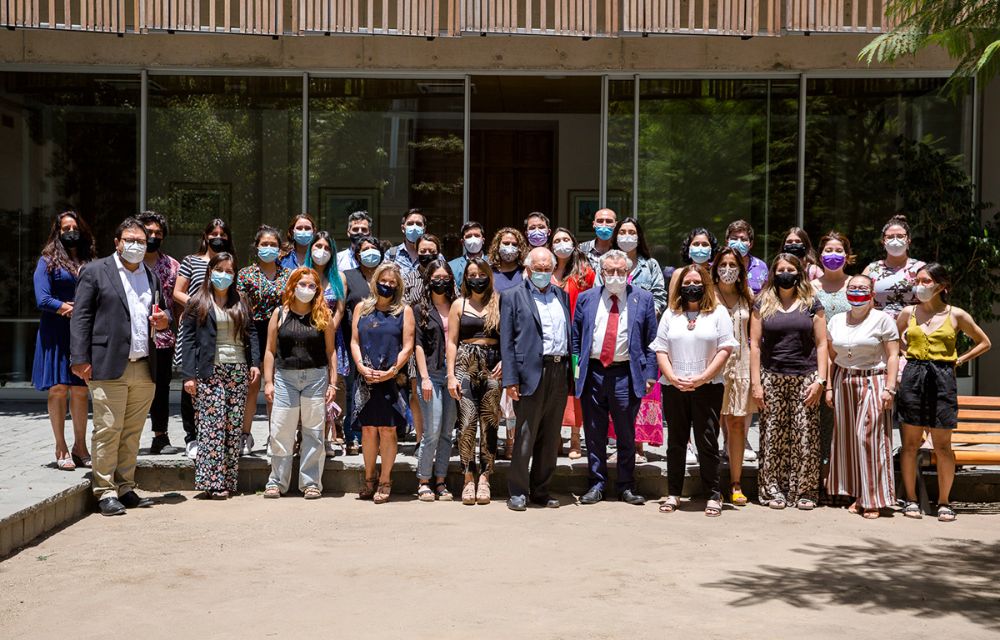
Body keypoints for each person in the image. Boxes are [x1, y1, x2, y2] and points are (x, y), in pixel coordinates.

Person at [70, 217, 170, 516]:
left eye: (141, 240)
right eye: (130, 239)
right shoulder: (95, 271)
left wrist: (165, 318)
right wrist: (79, 358)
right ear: (117, 242)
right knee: (108, 429)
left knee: (132, 431)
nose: (137, 245)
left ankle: (125, 486)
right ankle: (104, 491)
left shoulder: (151, 275)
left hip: (144, 364)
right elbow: (81, 316)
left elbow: (160, 312)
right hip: (108, 362)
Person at [896, 263, 991, 522]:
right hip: (913, 376)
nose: (919, 285)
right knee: (910, 445)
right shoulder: (908, 312)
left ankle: (944, 501)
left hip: (942, 377)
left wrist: (960, 360)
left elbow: (984, 342)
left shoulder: (956, 314)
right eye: (917, 280)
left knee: (942, 445)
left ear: (941, 286)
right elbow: (893, 340)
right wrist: (905, 354)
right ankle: (911, 499)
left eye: (925, 280)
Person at [573, 250, 657, 506]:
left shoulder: (642, 298)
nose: (616, 276)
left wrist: (650, 375)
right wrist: (577, 374)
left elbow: (651, 342)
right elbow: (576, 341)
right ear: (602, 272)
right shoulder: (587, 299)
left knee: (625, 432)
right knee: (594, 432)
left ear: (628, 273)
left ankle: (625, 485)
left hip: (625, 373)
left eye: (621, 271)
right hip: (594, 373)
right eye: (610, 271)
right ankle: (596, 484)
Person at [653, 265, 737, 517]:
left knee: (707, 441)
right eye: (686, 283)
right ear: (679, 288)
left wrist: (703, 377)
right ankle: (674, 493)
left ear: (706, 286)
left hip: (708, 386)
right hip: (674, 386)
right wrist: (670, 376)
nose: (692, 287)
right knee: (676, 442)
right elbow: (660, 348)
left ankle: (713, 494)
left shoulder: (718, 313)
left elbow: (725, 348)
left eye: (696, 282)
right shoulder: (671, 313)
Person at [750, 253, 829, 511]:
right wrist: (756, 384)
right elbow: (755, 347)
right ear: (774, 273)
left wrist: (821, 380)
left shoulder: (812, 303)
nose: (786, 274)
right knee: (773, 436)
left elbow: (821, 344)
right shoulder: (762, 302)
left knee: (805, 436)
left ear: (799, 273)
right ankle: (773, 490)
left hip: (805, 377)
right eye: (781, 269)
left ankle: (804, 491)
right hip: (771, 376)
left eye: (791, 269)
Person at [180, 253, 260, 499]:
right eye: (219, 269)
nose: (223, 275)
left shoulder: (241, 301)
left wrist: (254, 363)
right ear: (210, 271)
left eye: (229, 271)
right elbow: (189, 340)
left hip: (237, 369)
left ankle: (227, 481)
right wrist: (188, 376)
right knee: (211, 427)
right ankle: (211, 482)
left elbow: (252, 332)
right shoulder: (198, 301)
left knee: (232, 426)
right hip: (210, 370)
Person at [500, 247, 571, 511]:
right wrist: (510, 379)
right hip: (530, 373)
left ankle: (541, 490)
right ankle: (518, 491)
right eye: (537, 268)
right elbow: (507, 343)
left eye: (547, 268)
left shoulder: (561, 296)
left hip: (559, 370)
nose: (542, 273)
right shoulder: (512, 297)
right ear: (528, 269)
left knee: (551, 435)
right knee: (526, 435)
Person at [825, 275, 899, 519]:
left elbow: (892, 356)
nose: (857, 292)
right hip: (843, 381)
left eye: (863, 288)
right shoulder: (836, 320)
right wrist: (828, 386)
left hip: (873, 380)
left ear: (872, 293)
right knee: (847, 439)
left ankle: (874, 499)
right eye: (853, 288)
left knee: (868, 438)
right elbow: (830, 354)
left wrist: (890, 388)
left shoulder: (883, 320)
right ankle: (857, 494)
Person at [262, 267, 338, 499]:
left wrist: (333, 383)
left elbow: (331, 351)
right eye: (302, 284)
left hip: (315, 378)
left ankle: (311, 483)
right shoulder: (280, 313)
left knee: (313, 432)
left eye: (311, 286)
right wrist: (268, 381)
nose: (306, 289)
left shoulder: (323, 315)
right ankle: (276, 482)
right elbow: (270, 350)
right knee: (281, 430)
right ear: (292, 286)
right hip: (285, 378)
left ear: (317, 290)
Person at [33, 210, 95, 470]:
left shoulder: (90, 260)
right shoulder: (47, 260)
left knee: (80, 389)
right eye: (65, 228)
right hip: (55, 332)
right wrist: (70, 308)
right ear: (57, 232)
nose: (71, 232)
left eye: (74, 227)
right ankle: (61, 446)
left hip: (81, 332)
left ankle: (80, 447)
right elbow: (42, 298)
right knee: (58, 389)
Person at [350, 263, 415, 504]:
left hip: (391, 378)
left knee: (388, 430)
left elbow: (408, 345)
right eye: (383, 281)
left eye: (392, 283)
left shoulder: (403, 311)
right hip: (365, 377)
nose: (387, 286)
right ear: (375, 280)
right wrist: (359, 365)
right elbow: (354, 341)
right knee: (368, 429)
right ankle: (369, 478)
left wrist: (392, 371)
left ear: (398, 287)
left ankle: (385, 480)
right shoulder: (361, 308)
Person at [173, 218, 234, 459]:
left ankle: (216, 434)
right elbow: (178, 291)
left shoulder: (229, 263)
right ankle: (192, 437)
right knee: (191, 382)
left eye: (223, 234)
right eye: (214, 233)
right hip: (197, 325)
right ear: (205, 236)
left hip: (222, 330)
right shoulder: (191, 261)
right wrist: (199, 307)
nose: (218, 237)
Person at [446, 258, 503, 506]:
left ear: (489, 276)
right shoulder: (459, 304)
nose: (476, 277)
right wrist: (450, 375)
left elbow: (508, 336)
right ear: (466, 278)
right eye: (471, 274)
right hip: (465, 364)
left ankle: (486, 477)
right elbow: (452, 341)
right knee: (467, 422)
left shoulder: (498, 301)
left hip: (493, 364)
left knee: (490, 422)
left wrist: (507, 364)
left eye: (481, 273)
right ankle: (468, 476)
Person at [611, 217, 667, 461]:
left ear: (639, 236)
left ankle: (639, 446)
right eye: (622, 231)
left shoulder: (650, 265)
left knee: (643, 388)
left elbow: (659, 295)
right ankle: (618, 445)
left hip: (643, 335)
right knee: (616, 389)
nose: (626, 235)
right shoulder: (609, 262)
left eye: (631, 231)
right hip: (616, 334)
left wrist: (644, 314)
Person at [236, 225, 290, 455]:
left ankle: (273, 436)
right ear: (256, 247)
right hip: (253, 330)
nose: (269, 248)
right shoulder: (246, 274)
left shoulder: (288, 275)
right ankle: (244, 436)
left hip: (280, 330)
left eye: (273, 245)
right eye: (264, 244)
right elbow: (239, 305)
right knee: (253, 382)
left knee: (274, 386)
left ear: (280, 249)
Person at [712, 248, 756, 505]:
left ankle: (736, 483)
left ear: (741, 269)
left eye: (733, 264)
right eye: (723, 264)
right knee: (711, 425)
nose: (728, 269)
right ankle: (713, 484)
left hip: (741, 365)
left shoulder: (747, 296)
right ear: (716, 267)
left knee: (738, 425)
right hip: (713, 366)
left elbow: (755, 335)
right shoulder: (707, 294)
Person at [811, 231, 854, 499]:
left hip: (852, 363)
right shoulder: (811, 287)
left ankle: (846, 480)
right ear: (819, 255)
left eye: (839, 250)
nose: (833, 255)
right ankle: (821, 479)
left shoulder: (858, 284)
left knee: (847, 422)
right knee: (821, 423)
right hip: (819, 361)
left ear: (847, 256)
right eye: (828, 250)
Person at [138, 211, 182, 456]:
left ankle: (160, 436)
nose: (153, 237)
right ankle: (127, 438)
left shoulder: (172, 265)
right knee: (133, 388)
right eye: (149, 232)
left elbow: (176, 304)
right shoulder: (127, 264)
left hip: (162, 338)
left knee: (161, 388)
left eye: (158, 233)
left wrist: (172, 322)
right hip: (131, 338)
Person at [414, 259, 459, 502]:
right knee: (431, 430)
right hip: (431, 374)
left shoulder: (457, 306)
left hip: (453, 375)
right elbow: (418, 346)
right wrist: (423, 378)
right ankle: (423, 480)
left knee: (446, 431)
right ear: (428, 281)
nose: (441, 282)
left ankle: (440, 480)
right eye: (436, 278)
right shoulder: (419, 308)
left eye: (445, 278)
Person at [550, 227, 595, 459]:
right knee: (554, 387)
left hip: (576, 336)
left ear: (574, 243)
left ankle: (576, 438)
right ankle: (555, 436)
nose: (561, 244)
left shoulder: (584, 272)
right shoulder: (544, 270)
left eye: (566, 239)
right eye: (557, 240)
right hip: (551, 338)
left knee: (575, 386)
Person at [305, 231, 348, 454]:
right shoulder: (302, 274)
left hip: (332, 337)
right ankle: (306, 438)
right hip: (305, 339)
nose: (321, 252)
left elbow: (340, 309)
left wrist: (329, 330)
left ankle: (328, 436)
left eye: (326, 247)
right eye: (317, 246)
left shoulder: (338, 277)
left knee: (331, 388)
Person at [341, 235, 384, 455]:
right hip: (353, 342)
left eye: (373, 248)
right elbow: (341, 310)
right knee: (352, 389)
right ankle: (352, 436)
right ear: (357, 255)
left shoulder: (386, 277)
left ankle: (374, 437)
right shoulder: (348, 276)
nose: (369, 252)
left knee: (377, 390)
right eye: (364, 249)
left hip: (381, 345)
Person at [863, 214, 926, 319]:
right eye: (890, 237)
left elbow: (933, 301)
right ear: (883, 241)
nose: (895, 240)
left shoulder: (921, 268)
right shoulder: (871, 269)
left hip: (914, 328)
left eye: (900, 236)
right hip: (879, 329)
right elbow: (860, 299)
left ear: (908, 240)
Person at [725, 219, 768, 295]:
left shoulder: (761, 266)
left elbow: (765, 294)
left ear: (750, 244)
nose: (738, 242)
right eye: (734, 238)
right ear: (727, 241)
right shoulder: (717, 265)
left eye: (743, 239)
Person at [670, 227, 719, 291]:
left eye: (705, 244)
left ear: (711, 250)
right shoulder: (679, 274)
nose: (700, 248)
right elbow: (672, 300)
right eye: (696, 244)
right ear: (689, 249)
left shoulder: (717, 275)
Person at [386, 208, 428, 276]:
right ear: (403, 228)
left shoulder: (434, 255)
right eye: (410, 223)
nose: (414, 227)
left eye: (418, 224)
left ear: (424, 229)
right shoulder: (391, 254)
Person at [487, 227, 528, 294]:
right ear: (497, 246)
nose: (510, 247)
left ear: (520, 248)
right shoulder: (489, 272)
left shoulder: (525, 272)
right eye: (506, 243)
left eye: (514, 244)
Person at [448, 221, 487, 287]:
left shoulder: (494, 264)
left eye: (477, 235)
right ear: (463, 242)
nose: (473, 239)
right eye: (469, 236)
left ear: (483, 240)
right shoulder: (452, 266)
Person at [578, 207, 617, 272]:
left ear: (616, 224)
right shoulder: (582, 249)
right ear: (594, 224)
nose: (604, 225)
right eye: (600, 221)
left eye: (609, 221)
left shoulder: (620, 249)